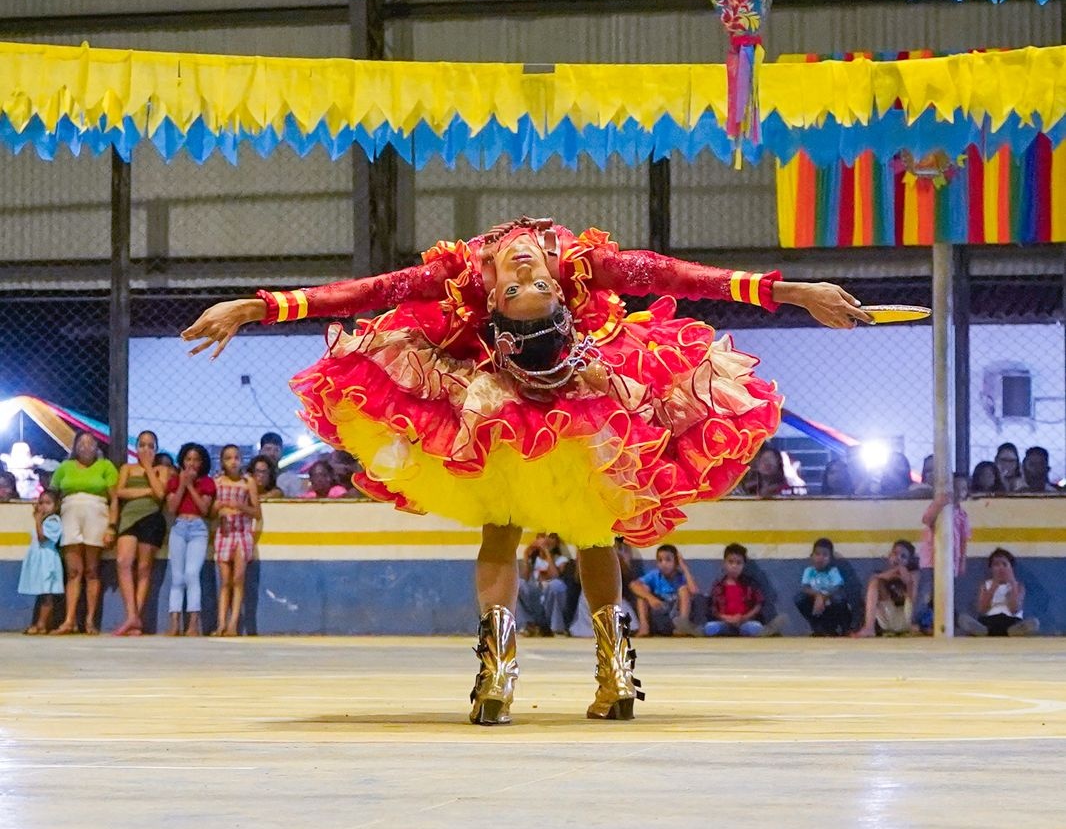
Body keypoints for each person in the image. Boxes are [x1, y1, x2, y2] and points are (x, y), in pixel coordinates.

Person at [184, 216, 868, 724]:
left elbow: (362, 294)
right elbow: (678, 278)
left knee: (575, 525)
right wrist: (796, 289)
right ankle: (521, 673)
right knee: (542, 524)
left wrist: (258, 306)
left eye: (531, 281)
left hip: (556, 388)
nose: (525, 268)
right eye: (526, 281)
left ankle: (601, 672)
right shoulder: (539, 269)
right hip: (511, 392)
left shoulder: (494, 273)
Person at [49, 432, 119, 635]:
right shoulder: (64, 468)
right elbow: (52, 494)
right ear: (75, 446)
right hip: (70, 516)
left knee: (91, 571)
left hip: (96, 516)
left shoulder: (106, 467)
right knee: (73, 572)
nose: (86, 446)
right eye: (81, 442)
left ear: (97, 447)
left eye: (91, 443)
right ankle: (69, 620)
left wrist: (111, 527)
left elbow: (114, 498)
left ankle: (89, 621)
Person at [112, 429, 169, 637]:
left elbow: (161, 493)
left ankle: (135, 620)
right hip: (128, 519)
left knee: (144, 568)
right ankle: (131, 614)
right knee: (123, 562)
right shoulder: (126, 468)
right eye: (142, 445)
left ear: (156, 449)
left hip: (151, 518)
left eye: (150, 446)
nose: (146, 449)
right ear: (135, 448)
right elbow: (120, 492)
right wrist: (147, 490)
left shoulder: (161, 469)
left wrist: (147, 468)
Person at [164, 443, 216, 637]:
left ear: (202, 463)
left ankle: (193, 623)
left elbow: (204, 509)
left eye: (196, 459)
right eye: (188, 459)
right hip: (179, 527)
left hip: (198, 529)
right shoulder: (173, 481)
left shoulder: (207, 483)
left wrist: (190, 486)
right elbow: (172, 507)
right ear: (182, 461)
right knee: (177, 577)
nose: (192, 463)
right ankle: (174, 622)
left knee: (192, 574)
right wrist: (182, 485)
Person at [212, 444, 261, 637]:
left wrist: (241, 506)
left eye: (236, 457)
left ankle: (234, 624)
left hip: (242, 533)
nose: (233, 461)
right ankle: (221, 623)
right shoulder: (218, 482)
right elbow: (211, 509)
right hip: (224, 533)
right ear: (223, 461)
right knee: (225, 581)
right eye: (228, 458)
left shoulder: (248, 482)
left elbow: (257, 512)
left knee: (238, 579)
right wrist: (219, 508)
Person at [915, 474, 970, 633]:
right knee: (926, 594)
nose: (960, 492)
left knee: (944, 595)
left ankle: (936, 623)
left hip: (951, 562)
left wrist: (962, 561)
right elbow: (926, 519)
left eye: (964, 489)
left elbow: (963, 540)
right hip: (931, 561)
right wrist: (939, 504)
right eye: (956, 488)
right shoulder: (940, 508)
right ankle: (917, 623)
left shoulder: (963, 515)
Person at [959, 548, 1039, 636]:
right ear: (991, 569)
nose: (1001, 568)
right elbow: (982, 609)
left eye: (1005, 564)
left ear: (1011, 568)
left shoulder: (1018, 586)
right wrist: (994, 585)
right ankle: (984, 631)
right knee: (963, 619)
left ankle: (1012, 632)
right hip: (989, 622)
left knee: (1034, 623)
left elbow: (1014, 609)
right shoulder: (986, 585)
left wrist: (1012, 583)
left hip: (1011, 622)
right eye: (996, 565)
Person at [19, 489, 64, 635]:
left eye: (48, 503)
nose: (43, 507)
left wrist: (38, 521)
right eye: (41, 503)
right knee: (42, 593)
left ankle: (42, 624)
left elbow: (42, 538)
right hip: (39, 559)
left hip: (47, 560)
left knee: (47, 593)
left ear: (56, 506)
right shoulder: (44, 520)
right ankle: (39, 623)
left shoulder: (53, 521)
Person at [630, 543, 697, 636]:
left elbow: (694, 591)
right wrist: (650, 598)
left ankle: (683, 626)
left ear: (676, 562)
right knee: (642, 592)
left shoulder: (681, 576)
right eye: (660, 560)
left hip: (675, 618)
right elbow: (633, 585)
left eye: (668, 560)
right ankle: (644, 627)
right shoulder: (655, 575)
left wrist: (684, 567)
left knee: (684, 590)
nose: (663, 564)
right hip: (659, 614)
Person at [856, 539, 920, 636]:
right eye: (895, 553)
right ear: (889, 556)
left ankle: (913, 626)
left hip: (907, 619)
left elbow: (912, 595)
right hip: (888, 620)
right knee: (875, 582)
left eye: (903, 556)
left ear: (909, 561)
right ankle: (869, 627)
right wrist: (893, 572)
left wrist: (907, 581)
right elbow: (874, 579)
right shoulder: (882, 574)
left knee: (913, 580)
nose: (898, 558)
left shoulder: (914, 573)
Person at [704, 543, 765, 637]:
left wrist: (744, 617)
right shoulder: (718, 585)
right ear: (724, 563)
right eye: (730, 562)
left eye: (738, 563)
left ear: (744, 565)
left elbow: (758, 604)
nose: (734, 566)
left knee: (756, 627)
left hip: (744, 622)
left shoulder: (750, 584)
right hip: (725, 622)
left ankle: (766, 630)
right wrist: (726, 618)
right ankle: (697, 630)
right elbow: (713, 609)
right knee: (710, 627)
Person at [517, 531, 570, 636]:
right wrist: (526, 555)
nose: (546, 540)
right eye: (542, 537)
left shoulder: (561, 560)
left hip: (550, 602)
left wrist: (546, 553)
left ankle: (556, 628)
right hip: (536, 599)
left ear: (556, 543)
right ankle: (527, 625)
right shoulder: (534, 560)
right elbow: (525, 578)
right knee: (518, 583)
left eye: (551, 537)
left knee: (556, 584)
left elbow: (555, 576)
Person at [795, 538, 850, 637]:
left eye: (825, 555)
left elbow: (838, 587)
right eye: (817, 554)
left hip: (831, 607)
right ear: (811, 556)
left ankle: (844, 628)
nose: (820, 558)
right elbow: (805, 588)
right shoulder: (809, 571)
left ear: (831, 558)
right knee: (799, 598)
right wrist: (818, 596)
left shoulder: (832, 571)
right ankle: (818, 627)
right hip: (817, 608)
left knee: (839, 598)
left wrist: (824, 596)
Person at [258, 433, 303, 497]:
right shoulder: (251, 476)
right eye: (268, 449)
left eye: (276, 450)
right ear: (260, 452)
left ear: (281, 453)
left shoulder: (290, 479)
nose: (272, 453)